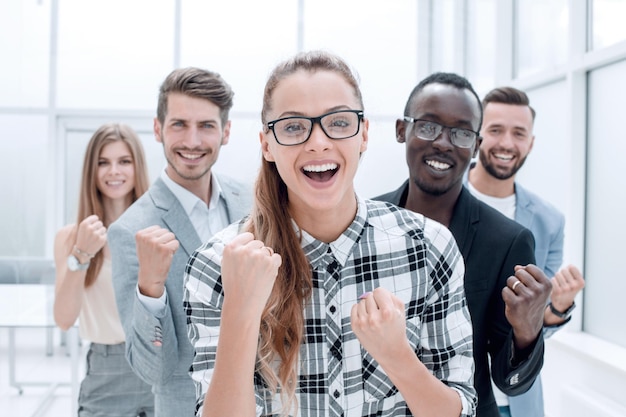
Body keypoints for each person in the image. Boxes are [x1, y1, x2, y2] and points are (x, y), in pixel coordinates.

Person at [183, 51, 477, 417]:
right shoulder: (218, 264)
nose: (318, 142)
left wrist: (397, 356)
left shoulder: (428, 247)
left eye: (338, 122)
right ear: (267, 144)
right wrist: (240, 311)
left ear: (364, 134)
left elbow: (460, 410)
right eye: (293, 127)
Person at [374, 72, 553, 417]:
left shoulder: (506, 240)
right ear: (401, 130)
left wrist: (527, 330)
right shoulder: (365, 222)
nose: (443, 142)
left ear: (475, 145)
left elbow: (510, 383)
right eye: (428, 126)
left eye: (461, 132)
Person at [108, 67, 253, 417]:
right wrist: (151, 288)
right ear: (158, 129)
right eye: (179, 125)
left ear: (226, 132)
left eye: (206, 126)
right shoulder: (130, 230)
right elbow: (152, 371)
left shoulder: (253, 203)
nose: (192, 141)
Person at [467, 86, 586, 417]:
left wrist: (557, 308)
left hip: (517, 402)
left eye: (519, 133)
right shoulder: (442, 204)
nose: (507, 143)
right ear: (476, 135)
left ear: (531, 142)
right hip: (452, 397)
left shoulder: (549, 221)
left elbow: (535, 330)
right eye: (495, 130)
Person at [53, 123, 154, 416]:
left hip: (157, 364)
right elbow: (63, 319)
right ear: (91, 171)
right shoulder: (70, 238)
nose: (114, 171)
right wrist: (81, 254)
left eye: (124, 161)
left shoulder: (157, 231)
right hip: (105, 369)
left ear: (137, 167)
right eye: (103, 163)